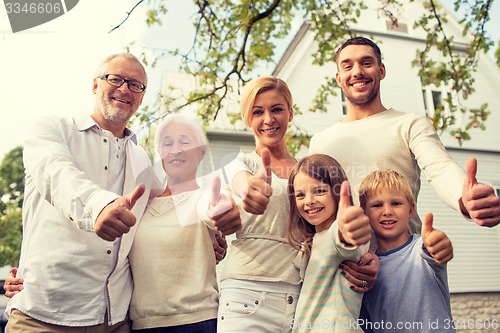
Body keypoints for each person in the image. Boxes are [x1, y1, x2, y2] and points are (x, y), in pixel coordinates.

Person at [3, 53, 234, 333]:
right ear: (95, 84)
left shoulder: (140, 159)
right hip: (45, 313)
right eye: (115, 79)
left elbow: (172, 204)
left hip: (115, 320)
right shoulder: (53, 129)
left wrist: (210, 238)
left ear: (141, 97)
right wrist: (99, 207)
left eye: (135, 85)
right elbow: (57, 175)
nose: (125, 89)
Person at [218, 76, 377, 333]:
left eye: (277, 109)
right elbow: (241, 183)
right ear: (248, 119)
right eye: (258, 112)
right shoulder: (240, 162)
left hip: (297, 298)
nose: (268, 119)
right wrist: (250, 190)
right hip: (246, 295)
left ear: (290, 113)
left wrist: (364, 253)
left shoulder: (307, 172)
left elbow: (330, 230)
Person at [308, 36, 500, 234]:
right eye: (347, 66)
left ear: (381, 71)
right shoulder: (320, 142)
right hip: (343, 262)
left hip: (404, 258)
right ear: (339, 78)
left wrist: (465, 198)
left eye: (366, 63)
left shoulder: (409, 124)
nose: (357, 72)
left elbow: (440, 168)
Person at [129, 113, 240, 332]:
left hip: (196, 322)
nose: (176, 150)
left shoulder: (206, 197)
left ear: (201, 153)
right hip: (142, 324)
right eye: (167, 143)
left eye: (185, 141)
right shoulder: (142, 203)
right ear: (159, 153)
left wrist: (219, 212)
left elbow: (213, 209)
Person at [357, 169, 455, 333]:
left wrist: (439, 244)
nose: (387, 211)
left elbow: (434, 249)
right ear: (364, 213)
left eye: (395, 203)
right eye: (377, 205)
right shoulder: (366, 268)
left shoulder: (422, 249)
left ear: (411, 210)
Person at [287, 154, 371, 332]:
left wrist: (347, 226)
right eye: (300, 195)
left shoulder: (334, 235)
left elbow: (346, 241)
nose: (309, 201)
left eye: (319, 191)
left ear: (337, 191)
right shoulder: (312, 241)